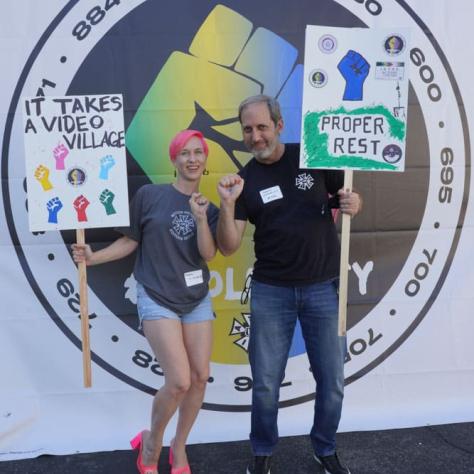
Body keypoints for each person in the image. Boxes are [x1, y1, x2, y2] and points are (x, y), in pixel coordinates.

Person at [216, 95, 362, 474]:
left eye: (262, 127)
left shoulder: (312, 156)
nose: (255, 136)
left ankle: (324, 448)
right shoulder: (243, 180)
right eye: (248, 129)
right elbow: (229, 247)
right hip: (271, 291)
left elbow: (345, 195)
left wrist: (352, 203)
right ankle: (262, 452)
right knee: (265, 382)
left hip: (323, 288)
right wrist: (228, 205)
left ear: (279, 125)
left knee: (331, 379)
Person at [72, 130, 218, 474]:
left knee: (200, 377)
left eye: (198, 152)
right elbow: (129, 241)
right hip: (156, 296)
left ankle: (179, 447)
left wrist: (200, 218)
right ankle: (153, 442)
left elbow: (209, 253)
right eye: (185, 153)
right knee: (179, 380)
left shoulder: (206, 206)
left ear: (205, 160)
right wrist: (93, 258)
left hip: (196, 298)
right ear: (174, 160)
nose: (192, 159)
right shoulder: (150, 195)